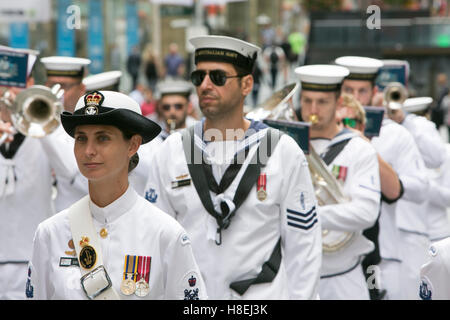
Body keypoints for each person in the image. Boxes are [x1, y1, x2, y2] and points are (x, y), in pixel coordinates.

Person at [144, 35, 322, 299]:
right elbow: (155, 241)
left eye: (217, 77)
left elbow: (303, 247)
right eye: (198, 77)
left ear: (246, 84)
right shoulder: (172, 150)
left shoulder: (282, 152)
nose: (205, 85)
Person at [26, 90, 207, 300]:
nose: (89, 151)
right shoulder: (50, 233)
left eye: (103, 138)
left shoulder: (165, 234)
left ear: (133, 145)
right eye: (81, 138)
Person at [335, 56, 429, 300]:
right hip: (333, 254)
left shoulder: (394, 135)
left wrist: (364, 147)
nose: (355, 97)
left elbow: (420, 189)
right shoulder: (324, 131)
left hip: (382, 251)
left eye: (362, 91)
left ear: (374, 92)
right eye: (348, 90)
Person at [295, 64, 381, 300]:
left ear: (338, 102)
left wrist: (302, 216)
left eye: (322, 102)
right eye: (307, 101)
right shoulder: (285, 148)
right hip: (295, 280)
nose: (313, 109)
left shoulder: (358, 149)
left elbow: (367, 212)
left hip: (343, 281)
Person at [0, 47, 56, 299]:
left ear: (31, 84)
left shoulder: (47, 134)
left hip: (33, 262)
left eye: (13, 82)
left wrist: (39, 123)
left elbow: (70, 171)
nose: (6, 89)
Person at [40, 56, 92, 212]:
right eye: (52, 86)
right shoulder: (30, 122)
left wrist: (46, 125)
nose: (58, 94)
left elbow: (72, 171)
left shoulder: (89, 125)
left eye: (64, 87)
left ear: (81, 88)